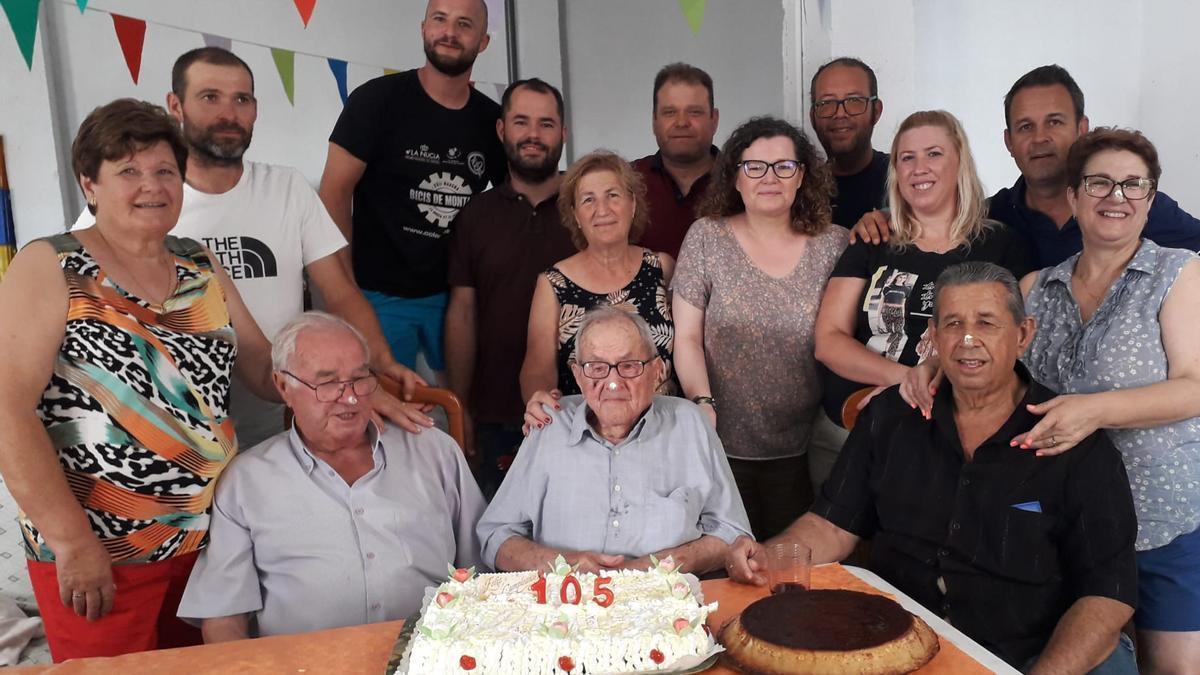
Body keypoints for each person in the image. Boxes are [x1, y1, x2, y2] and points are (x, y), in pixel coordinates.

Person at [730, 262, 1139, 673]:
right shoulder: (891, 417)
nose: (968, 340)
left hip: (1028, 654)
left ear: (1023, 335)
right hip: (898, 645)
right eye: (953, 323)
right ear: (933, 338)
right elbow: (833, 525)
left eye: (987, 323)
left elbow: (1108, 592)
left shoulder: (1074, 442)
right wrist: (763, 559)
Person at [0, 99, 279, 661]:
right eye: (128, 170)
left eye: (164, 171)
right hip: (102, 554)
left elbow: (265, 367)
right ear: (90, 183)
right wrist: (73, 542)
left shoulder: (199, 263)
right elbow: (6, 408)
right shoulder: (51, 264)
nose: (151, 186)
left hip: (211, 545)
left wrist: (350, 386)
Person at [72, 47, 431, 448]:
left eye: (242, 99)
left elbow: (341, 292)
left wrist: (374, 370)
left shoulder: (283, 191)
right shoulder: (134, 209)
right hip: (164, 422)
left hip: (278, 402)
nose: (229, 114)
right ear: (176, 105)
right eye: (210, 97)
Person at [1013, 128, 1200, 674]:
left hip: (1159, 519)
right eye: (1098, 182)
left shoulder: (1180, 273)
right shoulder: (1033, 287)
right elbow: (982, 353)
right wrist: (924, 371)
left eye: (1132, 184)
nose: (1115, 196)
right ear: (1073, 196)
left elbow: (1194, 385)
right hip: (1062, 523)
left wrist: (1091, 410)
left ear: (1150, 198)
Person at [177, 312, 484, 640]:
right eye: (327, 383)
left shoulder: (433, 452)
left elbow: (486, 574)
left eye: (359, 379)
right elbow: (224, 616)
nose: (350, 397)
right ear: (284, 386)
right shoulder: (247, 481)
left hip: (430, 658)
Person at [671, 116, 847, 541]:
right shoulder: (707, 238)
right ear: (734, 176)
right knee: (722, 564)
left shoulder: (834, 244)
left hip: (804, 447)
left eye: (784, 166)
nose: (769, 177)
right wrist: (701, 401)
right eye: (755, 167)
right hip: (717, 443)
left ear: (802, 175)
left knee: (789, 572)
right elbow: (687, 337)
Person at [479, 307, 750, 575]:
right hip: (565, 605)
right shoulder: (547, 425)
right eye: (596, 368)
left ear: (656, 371)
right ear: (577, 375)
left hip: (667, 603)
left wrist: (654, 568)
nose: (612, 382)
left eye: (629, 366)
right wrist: (563, 566)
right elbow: (495, 535)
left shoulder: (689, 424)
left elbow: (732, 532)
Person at [814, 110, 1033, 436]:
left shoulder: (1003, 245)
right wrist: (904, 381)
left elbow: (1010, 343)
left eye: (934, 154)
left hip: (951, 430)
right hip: (855, 421)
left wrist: (925, 389)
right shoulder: (873, 239)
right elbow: (828, 341)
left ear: (959, 163)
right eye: (907, 158)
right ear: (896, 171)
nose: (919, 168)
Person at [319, 0, 505, 380]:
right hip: (376, 294)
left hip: (456, 299)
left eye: (464, 24)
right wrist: (345, 291)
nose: (449, 32)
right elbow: (333, 196)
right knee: (383, 416)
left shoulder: (491, 121)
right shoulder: (376, 101)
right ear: (423, 28)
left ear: (483, 42)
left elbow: (513, 202)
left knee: (462, 416)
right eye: (440, 19)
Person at [851, 65, 1200, 268]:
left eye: (1055, 122)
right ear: (1009, 142)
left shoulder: (1128, 204)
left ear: (1082, 129)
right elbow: (935, 218)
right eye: (1025, 127)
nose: (1040, 138)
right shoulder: (993, 218)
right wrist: (886, 216)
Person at [445, 78, 575, 496]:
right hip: (497, 414)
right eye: (522, 122)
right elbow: (463, 315)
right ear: (502, 130)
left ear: (563, 133)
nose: (533, 135)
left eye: (546, 124)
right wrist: (460, 407)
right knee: (503, 546)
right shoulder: (474, 217)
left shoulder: (588, 209)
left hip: (584, 410)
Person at [519, 151, 677, 403]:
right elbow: (537, 368)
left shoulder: (662, 268)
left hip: (662, 426)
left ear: (632, 204)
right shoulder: (553, 283)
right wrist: (540, 399)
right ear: (575, 215)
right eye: (588, 200)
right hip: (585, 431)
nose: (602, 209)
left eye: (612, 196)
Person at [631, 63, 720, 258]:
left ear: (714, 120)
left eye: (694, 112)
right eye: (670, 112)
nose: (681, 122)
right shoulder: (626, 182)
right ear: (654, 121)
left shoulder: (744, 182)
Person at [809, 57, 888, 228]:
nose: (840, 113)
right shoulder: (799, 189)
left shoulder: (905, 179)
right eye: (826, 103)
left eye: (854, 101)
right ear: (812, 117)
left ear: (876, 111)